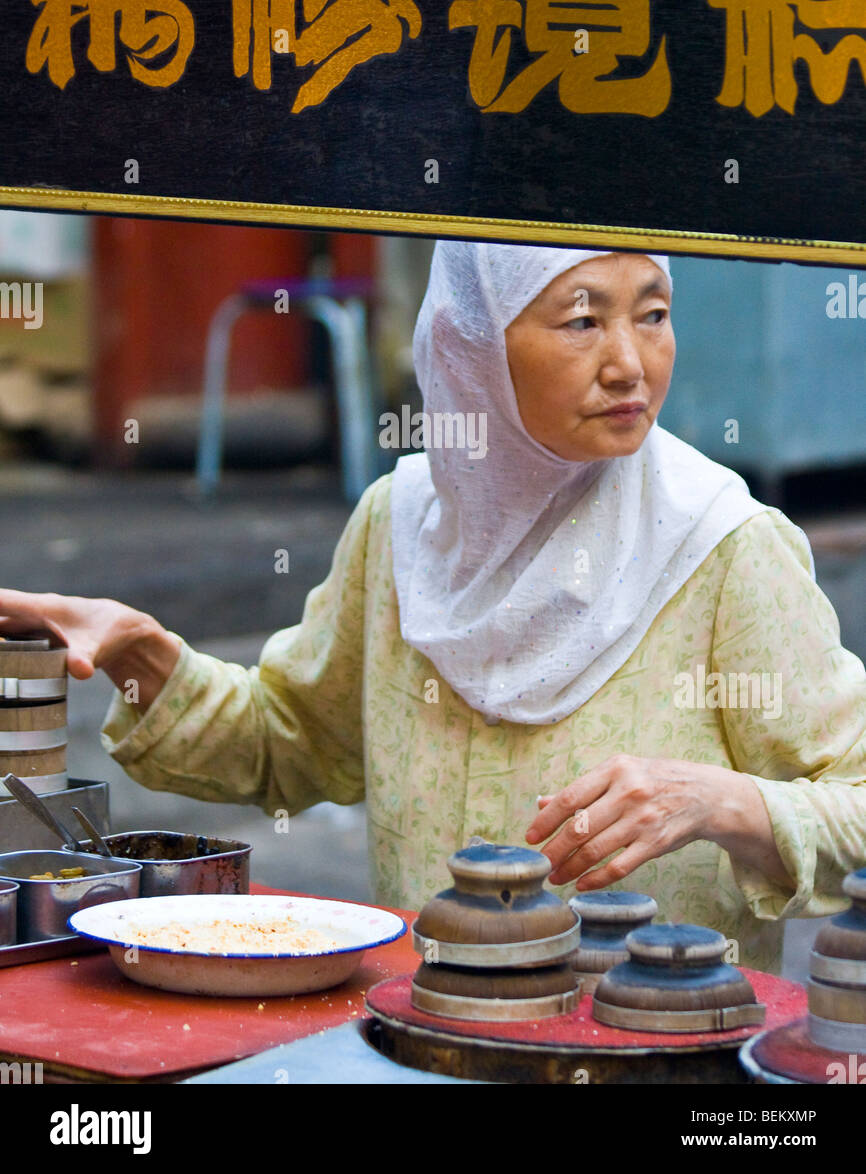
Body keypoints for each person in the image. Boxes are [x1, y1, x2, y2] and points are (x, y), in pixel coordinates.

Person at [2, 241, 865, 973]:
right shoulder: (401, 523)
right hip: (425, 1042)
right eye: (582, 319)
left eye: (653, 313)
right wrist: (142, 654)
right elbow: (293, 743)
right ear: (473, 346)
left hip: (649, 1054)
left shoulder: (720, 544)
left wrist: (719, 803)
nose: (631, 363)